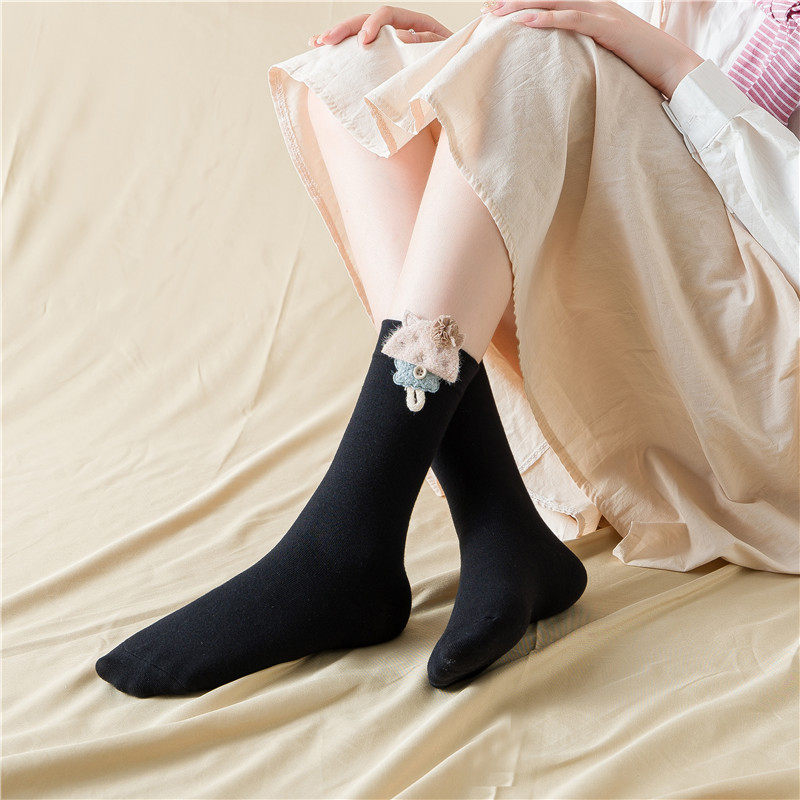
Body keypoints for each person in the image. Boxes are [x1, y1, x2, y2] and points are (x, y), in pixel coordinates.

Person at [95, 0, 799, 697]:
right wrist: (475, 72)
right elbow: (615, 122)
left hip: (762, 377)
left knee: (535, 53)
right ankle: (499, 528)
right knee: (367, 77)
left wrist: (665, 63)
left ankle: (346, 540)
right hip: (639, 312)